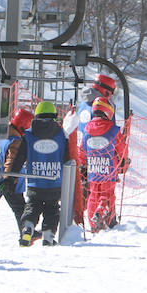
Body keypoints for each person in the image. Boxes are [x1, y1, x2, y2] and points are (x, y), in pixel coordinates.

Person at [16, 100, 72, 247]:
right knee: (52, 208)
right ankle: (48, 235)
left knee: (32, 206)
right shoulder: (62, 134)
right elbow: (67, 157)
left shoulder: (28, 135)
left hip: (35, 182)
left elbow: (19, 157)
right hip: (54, 181)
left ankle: (28, 226)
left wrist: (10, 177)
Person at [82, 98, 126, 233]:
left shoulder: (87, 129)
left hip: (93, 170)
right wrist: (123, 163)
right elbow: (121, 149)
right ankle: (101, 212)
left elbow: (82, 150)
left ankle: (93, 224)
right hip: (109, 170)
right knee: (107, 195)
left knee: (93, 196)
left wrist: (83, 164)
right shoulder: (113, 129)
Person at [0, 107, 33, 235]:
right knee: (21, 209)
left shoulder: (4, 135)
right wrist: (9, 180)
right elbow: (11, 160)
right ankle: (26, 235)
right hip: (12, 182)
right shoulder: (16, 141)